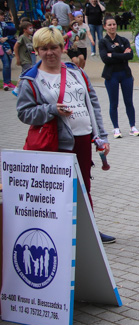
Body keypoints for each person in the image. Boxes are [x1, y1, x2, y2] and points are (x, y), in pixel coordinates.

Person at [16, 27, 115, 244]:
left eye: (54, 47)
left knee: (84, 188)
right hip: (55, 142)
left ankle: (89, 233)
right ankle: (57, 235)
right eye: (44, 48)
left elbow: (93, 104)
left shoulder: (75, 72)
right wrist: (51, 109)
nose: (50, 52)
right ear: (36, 51)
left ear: (62, 48)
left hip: (83, 138)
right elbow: (24, 113)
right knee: (58, 190)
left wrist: (101, 136)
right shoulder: (30, 79)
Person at [100, 15, 139, 138]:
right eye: (109, 25)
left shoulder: (123, 40)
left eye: (114, 24)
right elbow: (105, 58)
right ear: (105, 27)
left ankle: (133, 126)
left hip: (125, 74)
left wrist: (113, 55)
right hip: (111, 76)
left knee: (129, 101)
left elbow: (130, 56)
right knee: (114, 103)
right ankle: (116, 128)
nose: (112, 27)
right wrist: (121, 54)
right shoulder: (103, 42)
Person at [0, 18, 15, 90]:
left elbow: (11, 34)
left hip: (8, 46)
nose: (2, 17)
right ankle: (5, 82)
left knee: (8, 64)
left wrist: (6, 38)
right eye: (1, 15)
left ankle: (8, 82)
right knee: (6, 64)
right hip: (2, 47)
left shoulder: (4, 24)